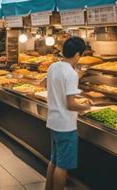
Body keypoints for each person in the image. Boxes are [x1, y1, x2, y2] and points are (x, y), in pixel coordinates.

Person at [45, 37, 91, 190]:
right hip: (66, 125)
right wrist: (86, 107)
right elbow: (71, 104)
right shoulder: (71, 74)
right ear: (78, 54)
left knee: (54, 160)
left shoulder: (53, 66)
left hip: (53, 121)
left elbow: (46, 84)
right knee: (63, 166)